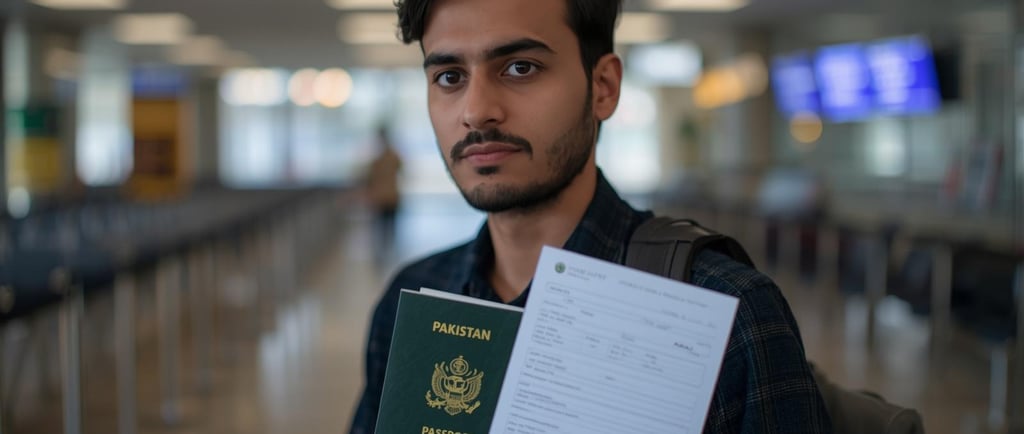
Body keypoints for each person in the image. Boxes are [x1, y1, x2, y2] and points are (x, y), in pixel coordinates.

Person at [350, 0, 832, 432]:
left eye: (520, 67)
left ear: (603, 87)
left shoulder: (724, 309)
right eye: (450, 77)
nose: (476, 111)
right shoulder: (413, 297)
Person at [364, 126, 403, 263]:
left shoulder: (378, 159)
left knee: (382, 227)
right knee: (388, 226)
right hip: (390, 196)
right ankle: (387, 251)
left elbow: (369, 178)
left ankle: (383, 253)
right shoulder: (393, 156)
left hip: (382, 197)